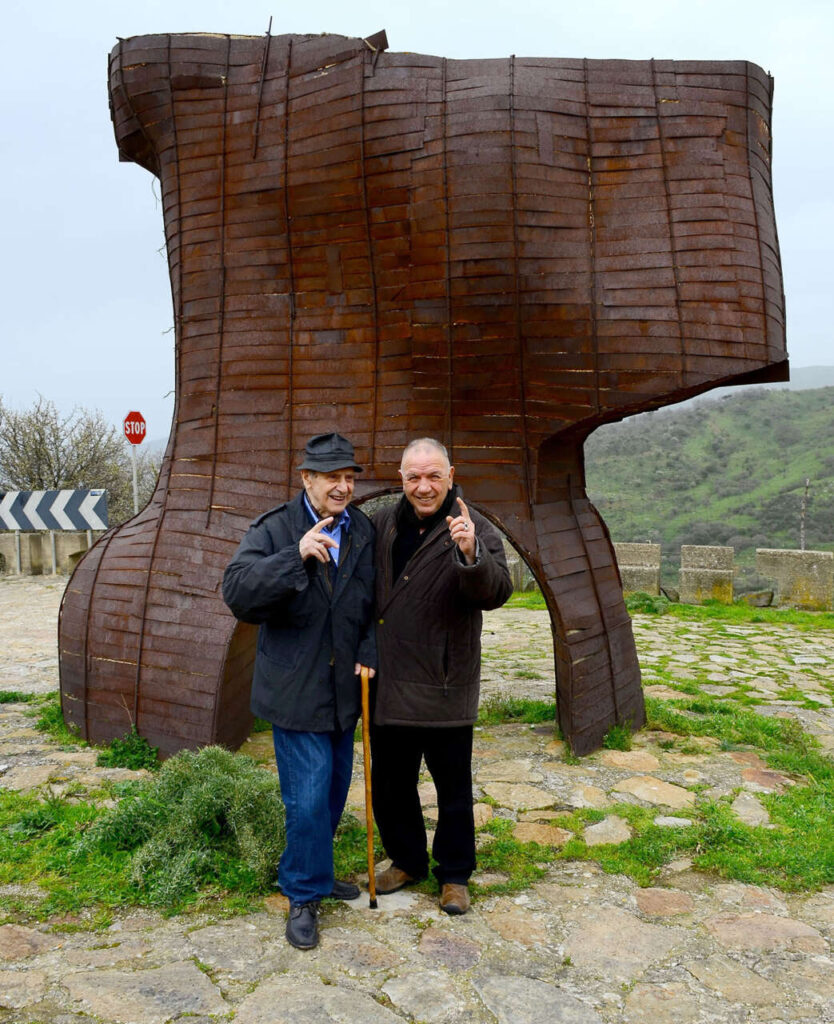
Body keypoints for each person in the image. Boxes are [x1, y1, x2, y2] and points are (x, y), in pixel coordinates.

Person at [222, 432, 376, 950]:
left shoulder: (364, 531)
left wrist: (369, 650)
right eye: (332, 477)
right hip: (294, 688)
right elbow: (238, 593)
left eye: (349, 477)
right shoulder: (275, 529)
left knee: (331, 794)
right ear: (306, 478)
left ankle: (315, 868)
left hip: (343, 690)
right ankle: (303, 894)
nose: (343, 486)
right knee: (307, 800)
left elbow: (373, 602)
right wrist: (296, 556)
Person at [370, 437, 512, 914]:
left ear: (451, 475)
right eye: (414, 477)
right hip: (389, 678)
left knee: (452, 786)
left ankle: (454, 875)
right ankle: (407, 860)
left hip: (445, 679)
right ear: (402, 479)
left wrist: (471, 553)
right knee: (391, 784)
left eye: (434, 476)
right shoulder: (383, 524)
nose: (424, 487)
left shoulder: (473, 525)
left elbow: (496, 592)